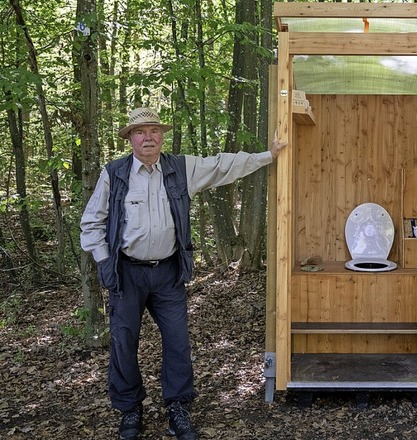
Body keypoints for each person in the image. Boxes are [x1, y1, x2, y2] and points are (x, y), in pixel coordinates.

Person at [80, 107, 287, 440]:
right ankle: (130, 408)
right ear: (130, 138)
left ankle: (177, 406)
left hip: (167, 272)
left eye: (154, 131)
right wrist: (105, 261)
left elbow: (222, 166)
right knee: (123, 342)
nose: (148, 137)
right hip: (127, 274)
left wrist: (268, 155)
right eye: (140, 131)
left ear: (162, 136)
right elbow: (92, 222)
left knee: (177, 343)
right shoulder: (115, 174)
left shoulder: (180, 168)